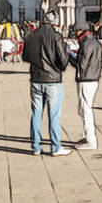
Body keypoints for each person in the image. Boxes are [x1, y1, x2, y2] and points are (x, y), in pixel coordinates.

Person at [22, 9, 71, 156]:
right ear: (54, 23)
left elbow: (25, 56)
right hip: (52, 80)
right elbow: (63, 62)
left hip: (36, 80)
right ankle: (56, 147)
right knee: (54, 114)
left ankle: (36, 147)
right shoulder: (56, 37)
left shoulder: (31, 36)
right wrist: (59, 66)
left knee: (36, 114)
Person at [75, 24, 102, 150]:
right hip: (94, 77)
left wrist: (70, 57)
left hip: (86, 78)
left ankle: (91, 140)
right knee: (83, 108)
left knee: (85, 109)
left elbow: (82, 64)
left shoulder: (86, 44)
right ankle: (88, 135)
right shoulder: (96, 42)